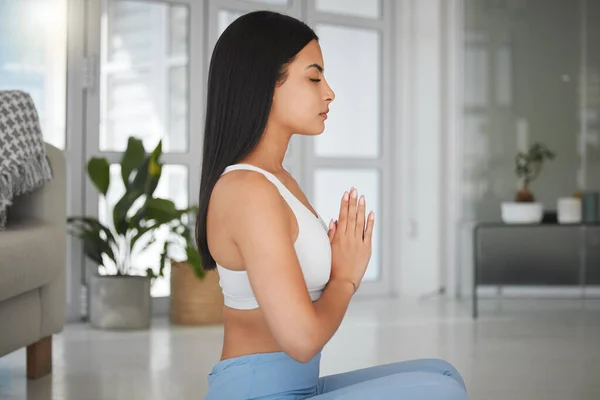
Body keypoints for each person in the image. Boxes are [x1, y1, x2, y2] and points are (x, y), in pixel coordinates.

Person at [195, 10, 469, 400]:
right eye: (313, 76)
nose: (329, 92)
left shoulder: (276, 179)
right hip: (258, 393)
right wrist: (344, 279)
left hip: (297, 386)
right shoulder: (247, 191)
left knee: (443, 374)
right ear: (265, 85)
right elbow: (303, 339)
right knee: (443, 394)